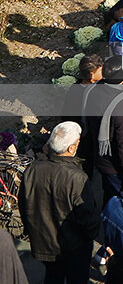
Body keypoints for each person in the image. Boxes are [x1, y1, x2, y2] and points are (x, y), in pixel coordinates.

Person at [19, 121, 97, 284]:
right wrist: (91, 236)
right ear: (70, 148)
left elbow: (23, 205)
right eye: (77, 143)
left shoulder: (32, 170)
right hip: (72, 248)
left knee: (53, 277)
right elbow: (88, 218)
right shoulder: (77, 178)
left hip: (43, 244)